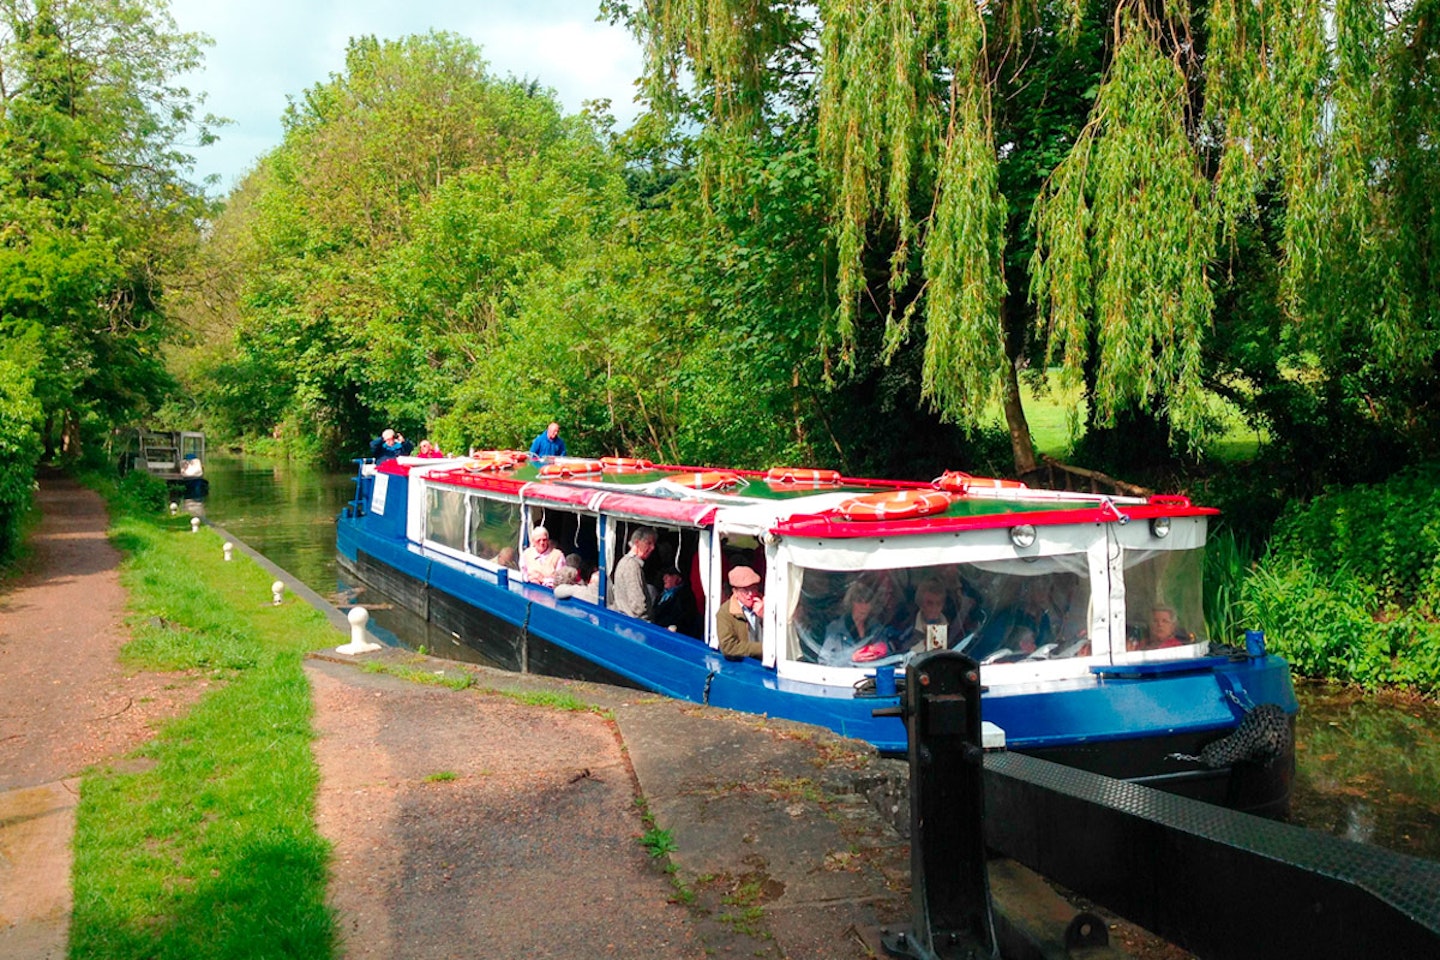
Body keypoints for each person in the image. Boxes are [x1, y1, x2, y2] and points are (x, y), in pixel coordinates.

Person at [819, 579, 896, 666]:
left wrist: (882, 650)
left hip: (872, 677)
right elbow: (824, 662)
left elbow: (889, 658)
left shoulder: (876, 627)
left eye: (867, 602)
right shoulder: (835, 629)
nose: (863, 606)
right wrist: (851, 658)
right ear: (851, 603)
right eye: (859, 601)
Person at [716, 565, 764, 658]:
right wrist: (763, 648)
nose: (750, 594)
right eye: (745, 590)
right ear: (735, 591)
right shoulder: (725, 612)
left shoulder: (767, 604)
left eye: (753, 588)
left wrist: (765, 617)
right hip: (745, 666)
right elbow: (728, 647)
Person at [611, 526, 657, 619]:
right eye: (648, 543)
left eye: (653, 544)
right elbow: (638, 605)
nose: (652, 548)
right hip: (633, 623)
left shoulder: (626, 561)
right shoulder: (632, 565)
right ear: (637, 542)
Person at [653, 566, 701, 638]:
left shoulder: (685, 597)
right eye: (664, 575)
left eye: (669, 575)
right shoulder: (662, 594)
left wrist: (672, 627)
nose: (664, 578)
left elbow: (685, 620)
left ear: (679, 579)